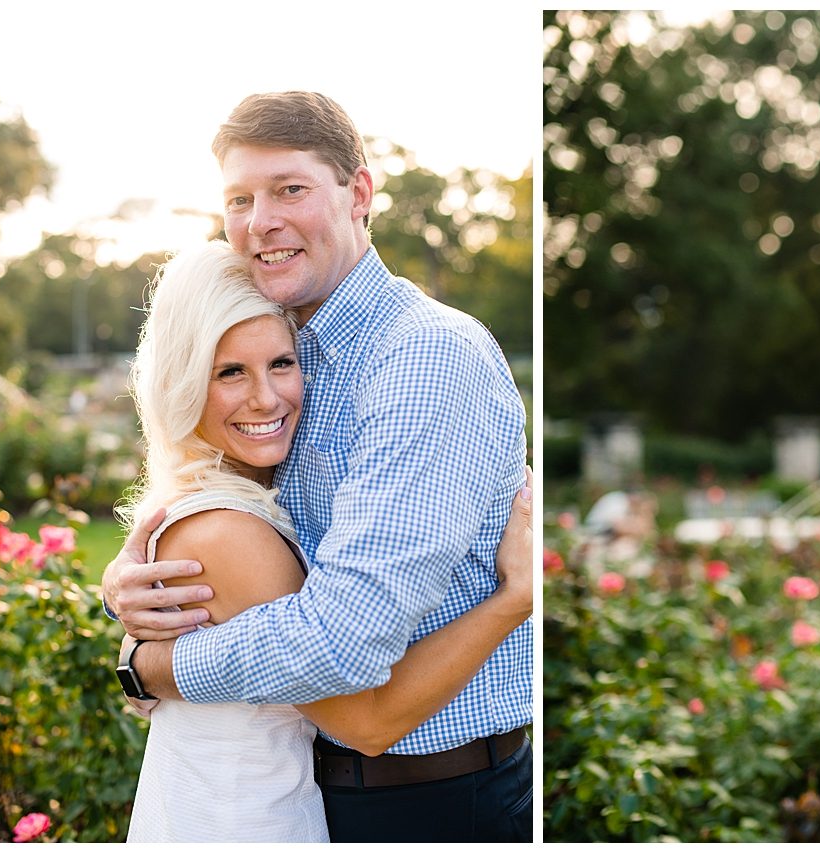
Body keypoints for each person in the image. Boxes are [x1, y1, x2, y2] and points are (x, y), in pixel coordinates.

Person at [98, 92, 534, 842]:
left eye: (289, 189)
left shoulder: (422, 359)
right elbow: (231, 535)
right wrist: (129, 590)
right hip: (311, 787)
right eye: (240, 198)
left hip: (428, 794)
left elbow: (343, 644)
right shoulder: (294, 344)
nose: (260, 220)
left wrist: (155, 664)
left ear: (359, 193)